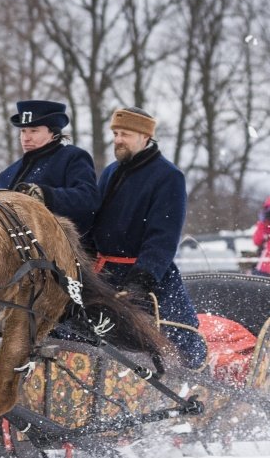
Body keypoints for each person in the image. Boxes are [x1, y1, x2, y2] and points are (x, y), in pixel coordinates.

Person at [87, 107, 205, 368]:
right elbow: (95, 223)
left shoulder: (168, 176)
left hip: (146, 276)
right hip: (104, 273)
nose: (118, 139)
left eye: (125, 134)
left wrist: (142, 278)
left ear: (145, 137)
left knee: (180, 341)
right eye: (116, 133)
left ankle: (193, 384)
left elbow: (163, 236)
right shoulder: (109, 172)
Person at [0, 99, 99, 237]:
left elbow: (88, 200)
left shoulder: (72, 157)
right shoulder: (8, 173)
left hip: (60, 250)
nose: (26, 138)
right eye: (23, 131)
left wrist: (47, 196)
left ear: (53, 133)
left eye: (34, 131)